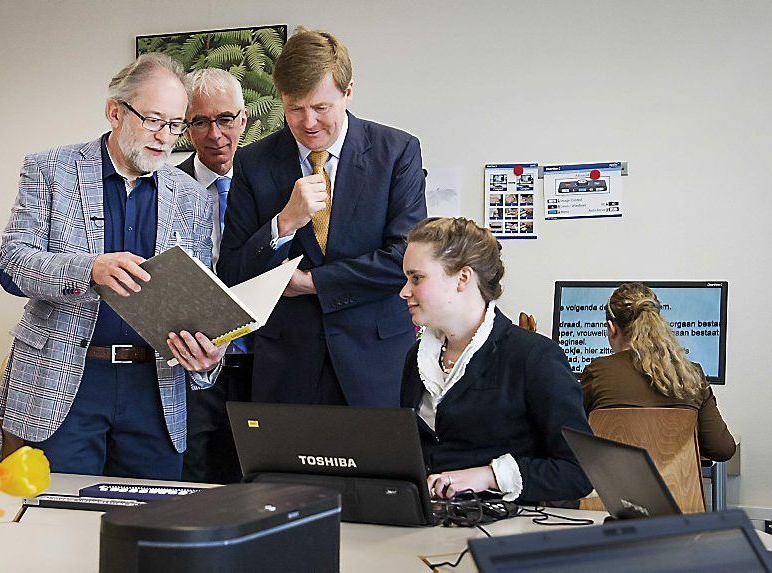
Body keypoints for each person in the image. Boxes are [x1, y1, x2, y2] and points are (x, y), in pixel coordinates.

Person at [0, 53, 226, 480]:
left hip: (155, 388)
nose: (165, 137)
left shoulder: (192, 196)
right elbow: (11, 263)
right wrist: (88, 270)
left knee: (149, 527)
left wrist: (211, 350)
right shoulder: (51, 170)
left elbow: (199, 296)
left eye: (176, 125)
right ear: (115, 112)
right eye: (154, 120)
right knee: (53, 521)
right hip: (65, 382)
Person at [217, 29, 427, 407]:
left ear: (348, 93)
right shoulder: (252, 162)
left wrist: (314, 283)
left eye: (321, 108)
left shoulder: (397, 152)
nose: (308, 122)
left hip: (376, 361)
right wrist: (283, 224)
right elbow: (232, 271)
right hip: (286, 366)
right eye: (295, 108)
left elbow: (404, 260)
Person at [399, 217, 592, 503]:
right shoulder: (417, 357)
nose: (404, 291)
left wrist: (488, 476)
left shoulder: (533, 357)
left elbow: (579, 473)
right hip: (432, 525)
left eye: (416, 278)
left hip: (510, 530)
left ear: (462, 278)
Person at [176, 68, 249, 483]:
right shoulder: (165, 187)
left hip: (260, 360)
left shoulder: (271, 187)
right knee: (194, 472)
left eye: (224, 119)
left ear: (243, 120)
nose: (214, 133)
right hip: (191, 360)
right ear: (186, 128)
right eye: (200, 121)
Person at [581, 283, 736, 461]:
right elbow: (722, 449)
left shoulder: (597, 372)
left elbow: (570, 436)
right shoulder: (691, 375)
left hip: (610, 486)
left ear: (612, 328)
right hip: (676, 487)